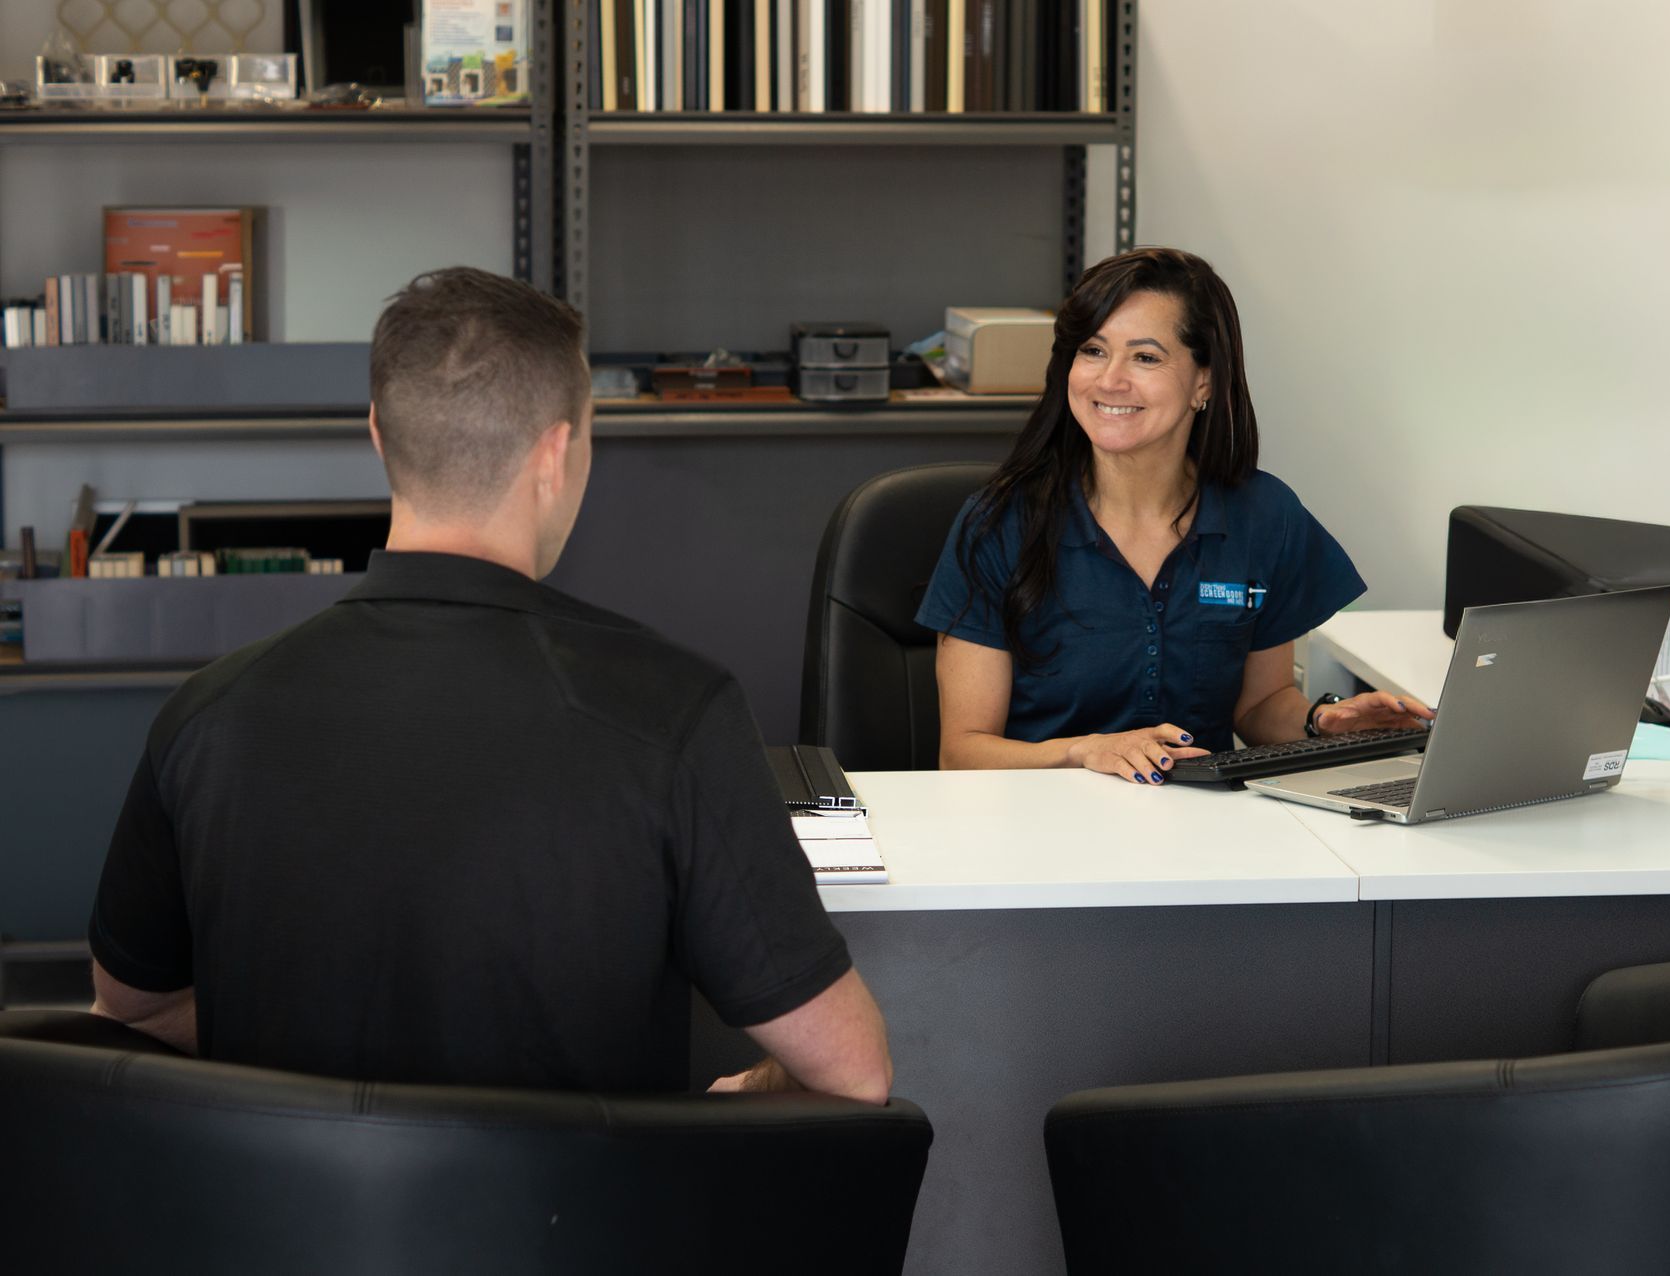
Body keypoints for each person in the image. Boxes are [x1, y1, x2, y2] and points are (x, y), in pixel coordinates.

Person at [86, 267, 891, 1103]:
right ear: (556, 454)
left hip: (279, 1193)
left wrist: (283, 1039)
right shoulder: (675, 713)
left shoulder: (206, 715)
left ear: (377, 433)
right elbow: (853, 1073)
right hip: (578, 1194)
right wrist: (744, 1093)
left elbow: (131, 1007)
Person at [917, 246, 1432, 783]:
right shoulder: (998, 523)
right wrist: (1086, 751)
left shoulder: (1264, 515)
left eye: (1145, 357)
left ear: (1204, 381)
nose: (1109, 380)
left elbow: (1260, 707)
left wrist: (1323, 723)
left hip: (1202, 820)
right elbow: (962, 752)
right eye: (1093, 351)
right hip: (1038, 819)